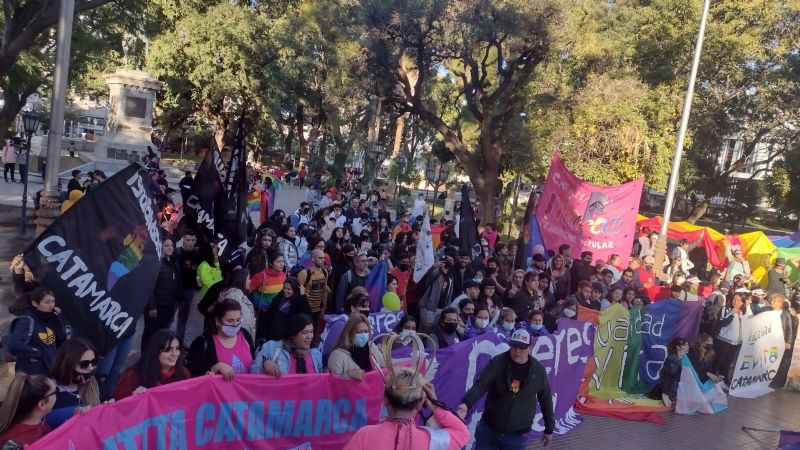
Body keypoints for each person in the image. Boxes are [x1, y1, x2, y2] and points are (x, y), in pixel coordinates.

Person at [457, 328, 554, 448]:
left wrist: (549, 429)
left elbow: (546, 399)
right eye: (514, 346)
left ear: (530, 348)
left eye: (522, 347)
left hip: (517, 435)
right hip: (489, 429)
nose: (517, 351)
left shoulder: (538, 370)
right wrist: (466, 403)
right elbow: (481, 384)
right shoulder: (498, 362)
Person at [344, 367, 469, 450]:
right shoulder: (433, 441)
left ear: (385, 399)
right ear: (419, 404)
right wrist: (435, 404)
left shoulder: (365, 436)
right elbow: (462, 432)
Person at [187, 299, 255, 379]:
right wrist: (216, 367)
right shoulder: (203, 343)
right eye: (230, 321)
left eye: (238, 320)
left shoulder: (245, 335)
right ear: (217, 321)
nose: (235, 324)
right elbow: (195, 377)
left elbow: (254, 362)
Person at [113, 330, 189, 400]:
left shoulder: (184, 374)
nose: (175, 354)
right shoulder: (132, 376)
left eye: (177, 348)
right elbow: (118, 407)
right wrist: (133, 399)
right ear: (155, 351)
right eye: (168, 349)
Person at [7, 287, 66, 376]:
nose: (51, 305)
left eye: (53, 301)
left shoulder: (51, 318)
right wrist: (39, 353)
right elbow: (14, 345)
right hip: (31, 375)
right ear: (35, 303)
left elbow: (61, 338)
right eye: (47, 302)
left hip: (49, 371)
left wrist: (58, 319)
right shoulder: (26, 320)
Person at [47, 338, 102, 429]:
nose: (91, 368)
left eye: (94, 362)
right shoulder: (47, 390)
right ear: (67, 364)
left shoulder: (95, 383)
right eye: (84, 364)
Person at [252, 313, 323, 376]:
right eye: (305, 332)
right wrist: (264, 364)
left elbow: (320, 380)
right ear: (293, 335)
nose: (309, 336)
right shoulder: (272, 348)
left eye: (311, 332)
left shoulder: (315, 354)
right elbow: (253, 372)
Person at [142, 239, 181, 351]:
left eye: (171, 245)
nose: (170, 247)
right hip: (156, 308)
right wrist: (152, 306)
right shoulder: (155, 263)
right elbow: (149, 286)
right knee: (150, 334)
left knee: (162, 334)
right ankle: (146, 357)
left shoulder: (173, 261)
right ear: (160, 247)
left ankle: (156, 356)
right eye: (166, 245)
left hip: (168, 306)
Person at [0, 374, 56, 447]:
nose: (57, 395)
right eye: (55, 392)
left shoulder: (37, 420)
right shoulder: (17, 443)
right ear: (42, 404)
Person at [328, 312, 385, 380]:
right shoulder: (337, 355)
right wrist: (348, 374)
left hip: (375, 389)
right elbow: (332, 382)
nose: (363, 335)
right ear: (349, 333)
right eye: (359, 332)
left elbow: (384, 363)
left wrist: (401, 363)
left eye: (366, 331)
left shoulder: (371, 346)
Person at [712, 292, 752, 381]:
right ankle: (712, 375)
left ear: (743, 302)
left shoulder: (745, 312)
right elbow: (722, 323)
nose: (735, 302)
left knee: (728, 360)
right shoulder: (725, 309)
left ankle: (724, 376)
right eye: (734, 299)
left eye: (738, 300)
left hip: (737, 342)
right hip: (724, 339)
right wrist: (733, 312)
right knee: (718, 359)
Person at [258, 278, 311, 342]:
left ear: (295, 290)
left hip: (285, 339)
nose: (285, 291)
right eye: (284, 288)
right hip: (272, 334)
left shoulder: (298, 303)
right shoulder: (278, 298)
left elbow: (305, 314)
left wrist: (303, 296)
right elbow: (268, 316)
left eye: (289, 289)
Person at [248, 250, 288, 330]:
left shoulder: (284, 275)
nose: (281, 264)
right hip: (263, 312)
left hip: (277, 311)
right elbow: (249, 291)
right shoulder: (260, 276)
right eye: (278, 262)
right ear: (270, 263)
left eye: (283, 261)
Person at [296, 249, 330, 336]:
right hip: (305, 310)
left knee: (313, 332)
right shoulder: (304, 273)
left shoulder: (325, 272)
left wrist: (324, 307)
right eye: (320, 258)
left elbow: (324, 290)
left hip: (318, 309)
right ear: (313, 259)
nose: (323, 260)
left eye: (323, 258)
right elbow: (298, 293)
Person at [175, 229, 201, 343]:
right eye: (188, 240)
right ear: (182, 240)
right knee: (169, 319)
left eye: (193, 240)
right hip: (174, 291)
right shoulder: (176, 253)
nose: (191, 242)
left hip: (188, 291)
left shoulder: (197, 254)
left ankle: (179, 342)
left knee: (183, 318)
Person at [769, 293, 796, 388]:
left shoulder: (785, 314)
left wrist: (788, 341)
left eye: (774, 300)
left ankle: (778, 381)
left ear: (780, 303)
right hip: (771, 342)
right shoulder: (768, 312)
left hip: (783, 342)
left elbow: (790, 329)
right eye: (771, 300)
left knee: (782, 362)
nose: (771, 302)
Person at [660, 337, 689, 407]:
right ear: (678, 347)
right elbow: (673, 372)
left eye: (687, 345)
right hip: (669, 388)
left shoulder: (685, 357)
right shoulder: (672, 357)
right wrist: (679, 360)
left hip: (675, 388)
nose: (688, 347)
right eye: (685, 345)